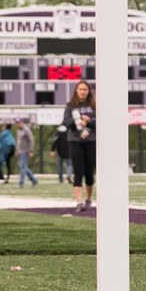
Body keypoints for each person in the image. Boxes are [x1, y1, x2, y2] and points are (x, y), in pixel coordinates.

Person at [64, 80, 96, 211]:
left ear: (88, 92)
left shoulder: (94, 105)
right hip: (75, 141)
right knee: (78, 172)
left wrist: (88, 122)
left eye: (85, 89)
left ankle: (88, 198)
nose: (83, 92)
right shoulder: (71, 106)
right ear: (76, 91)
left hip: (90, 141)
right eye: (80, 89)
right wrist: (77, 121)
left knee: (89, 172)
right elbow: (66, 122)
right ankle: (79, 201)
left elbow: (100, 122)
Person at [15, 118, 38, 188]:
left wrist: (31, 150)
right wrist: (17, 151)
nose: (18, 124)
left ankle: (21, 183)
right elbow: (18, 142)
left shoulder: (26, 130)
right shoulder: (18, 131)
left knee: (23, 167)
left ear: (22, 123)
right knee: (23, 167)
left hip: (26, 151)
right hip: (20, 151)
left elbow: (31, 140)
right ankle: (34, 180)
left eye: (19, 123)